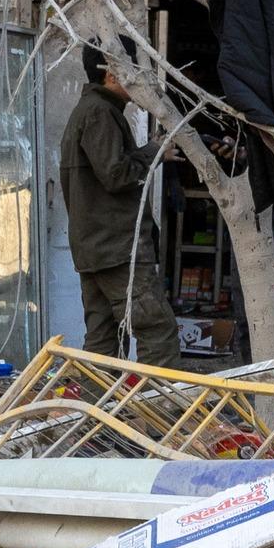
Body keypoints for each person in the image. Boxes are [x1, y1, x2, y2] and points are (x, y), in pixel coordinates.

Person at [61, 46, 181, 366]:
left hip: (96, 247)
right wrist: (152, 151)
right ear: (112, 73)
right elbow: (116, 174)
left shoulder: (92, 110)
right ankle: (162, 412)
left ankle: (96, 413)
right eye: (134, 70)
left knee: (104, 336)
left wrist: (149, 153)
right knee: (157, 329)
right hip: (117, 248)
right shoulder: (100, 112)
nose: (140, 79)